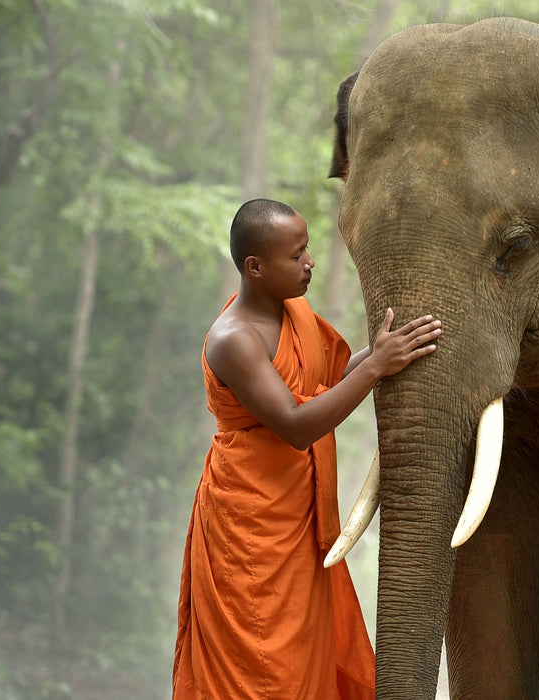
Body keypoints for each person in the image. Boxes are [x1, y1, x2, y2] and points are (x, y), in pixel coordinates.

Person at [173, 199, 441, 699]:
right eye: (297, 255)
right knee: (262, 670)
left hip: (301, 520)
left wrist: (390, 349)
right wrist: (377, 367)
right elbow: (296, 425)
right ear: (255, 267)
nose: (310, 263)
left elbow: (328, 377)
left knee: (306, 667)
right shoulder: (234, 339)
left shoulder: (294, 313)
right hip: (251, 526)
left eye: (308, 251)